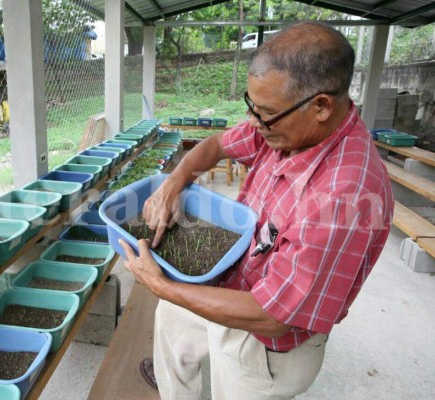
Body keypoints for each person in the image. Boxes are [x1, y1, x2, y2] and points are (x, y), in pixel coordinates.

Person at [118, 21, 394, 400]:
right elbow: (215, 145)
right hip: (232, 282)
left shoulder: (343, 195)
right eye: (252, 106)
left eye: (264, 113)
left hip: (266, 343)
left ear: (321, 107)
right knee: (172, 317)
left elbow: (273, 315)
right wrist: (173, 183)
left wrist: (161, 283)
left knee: (231, 374)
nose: (253, 122)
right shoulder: (283, 126)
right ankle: (176, 384)